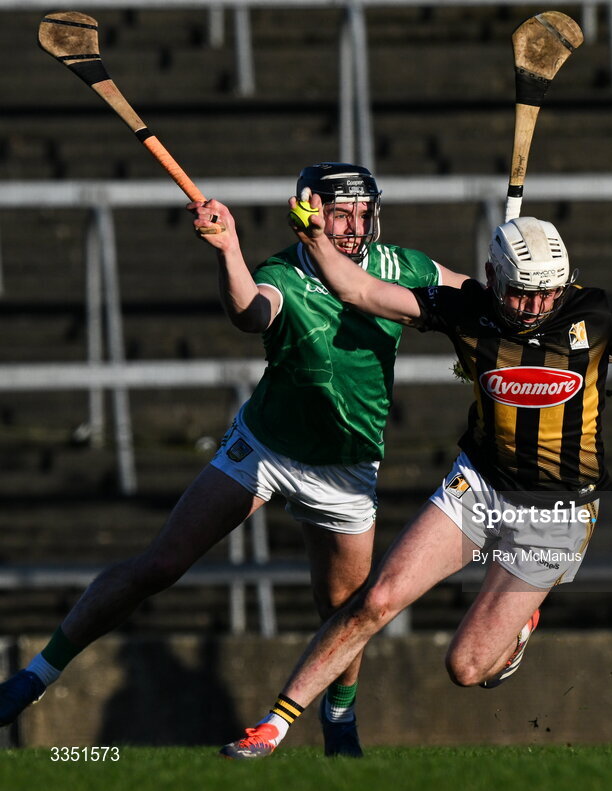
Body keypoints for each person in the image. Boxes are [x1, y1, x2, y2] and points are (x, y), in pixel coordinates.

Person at [215, 200, 612, 759]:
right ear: (492, 277)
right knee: (378, 599)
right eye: (521, 291)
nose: (537, 305)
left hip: (559, 511)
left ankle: (519, 627)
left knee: (466, 669)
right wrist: (316, 238)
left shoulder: (596, 313)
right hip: (480, 484)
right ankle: (274, 725)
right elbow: (360, 289)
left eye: (548, 291)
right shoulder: (467, 308)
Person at [0, 162, 467, 757]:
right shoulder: (283, 272)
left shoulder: (403, 267)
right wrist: (228, 249)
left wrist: (507, 295)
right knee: (161, 564)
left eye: (361, 211)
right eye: (339, 211)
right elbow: (250, 311)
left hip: (347, 468)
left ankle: (340, 720)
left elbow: (466, 292)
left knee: (344, 611)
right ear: (310, 212)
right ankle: (34, 676)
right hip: (265, 450)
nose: (353, 224)